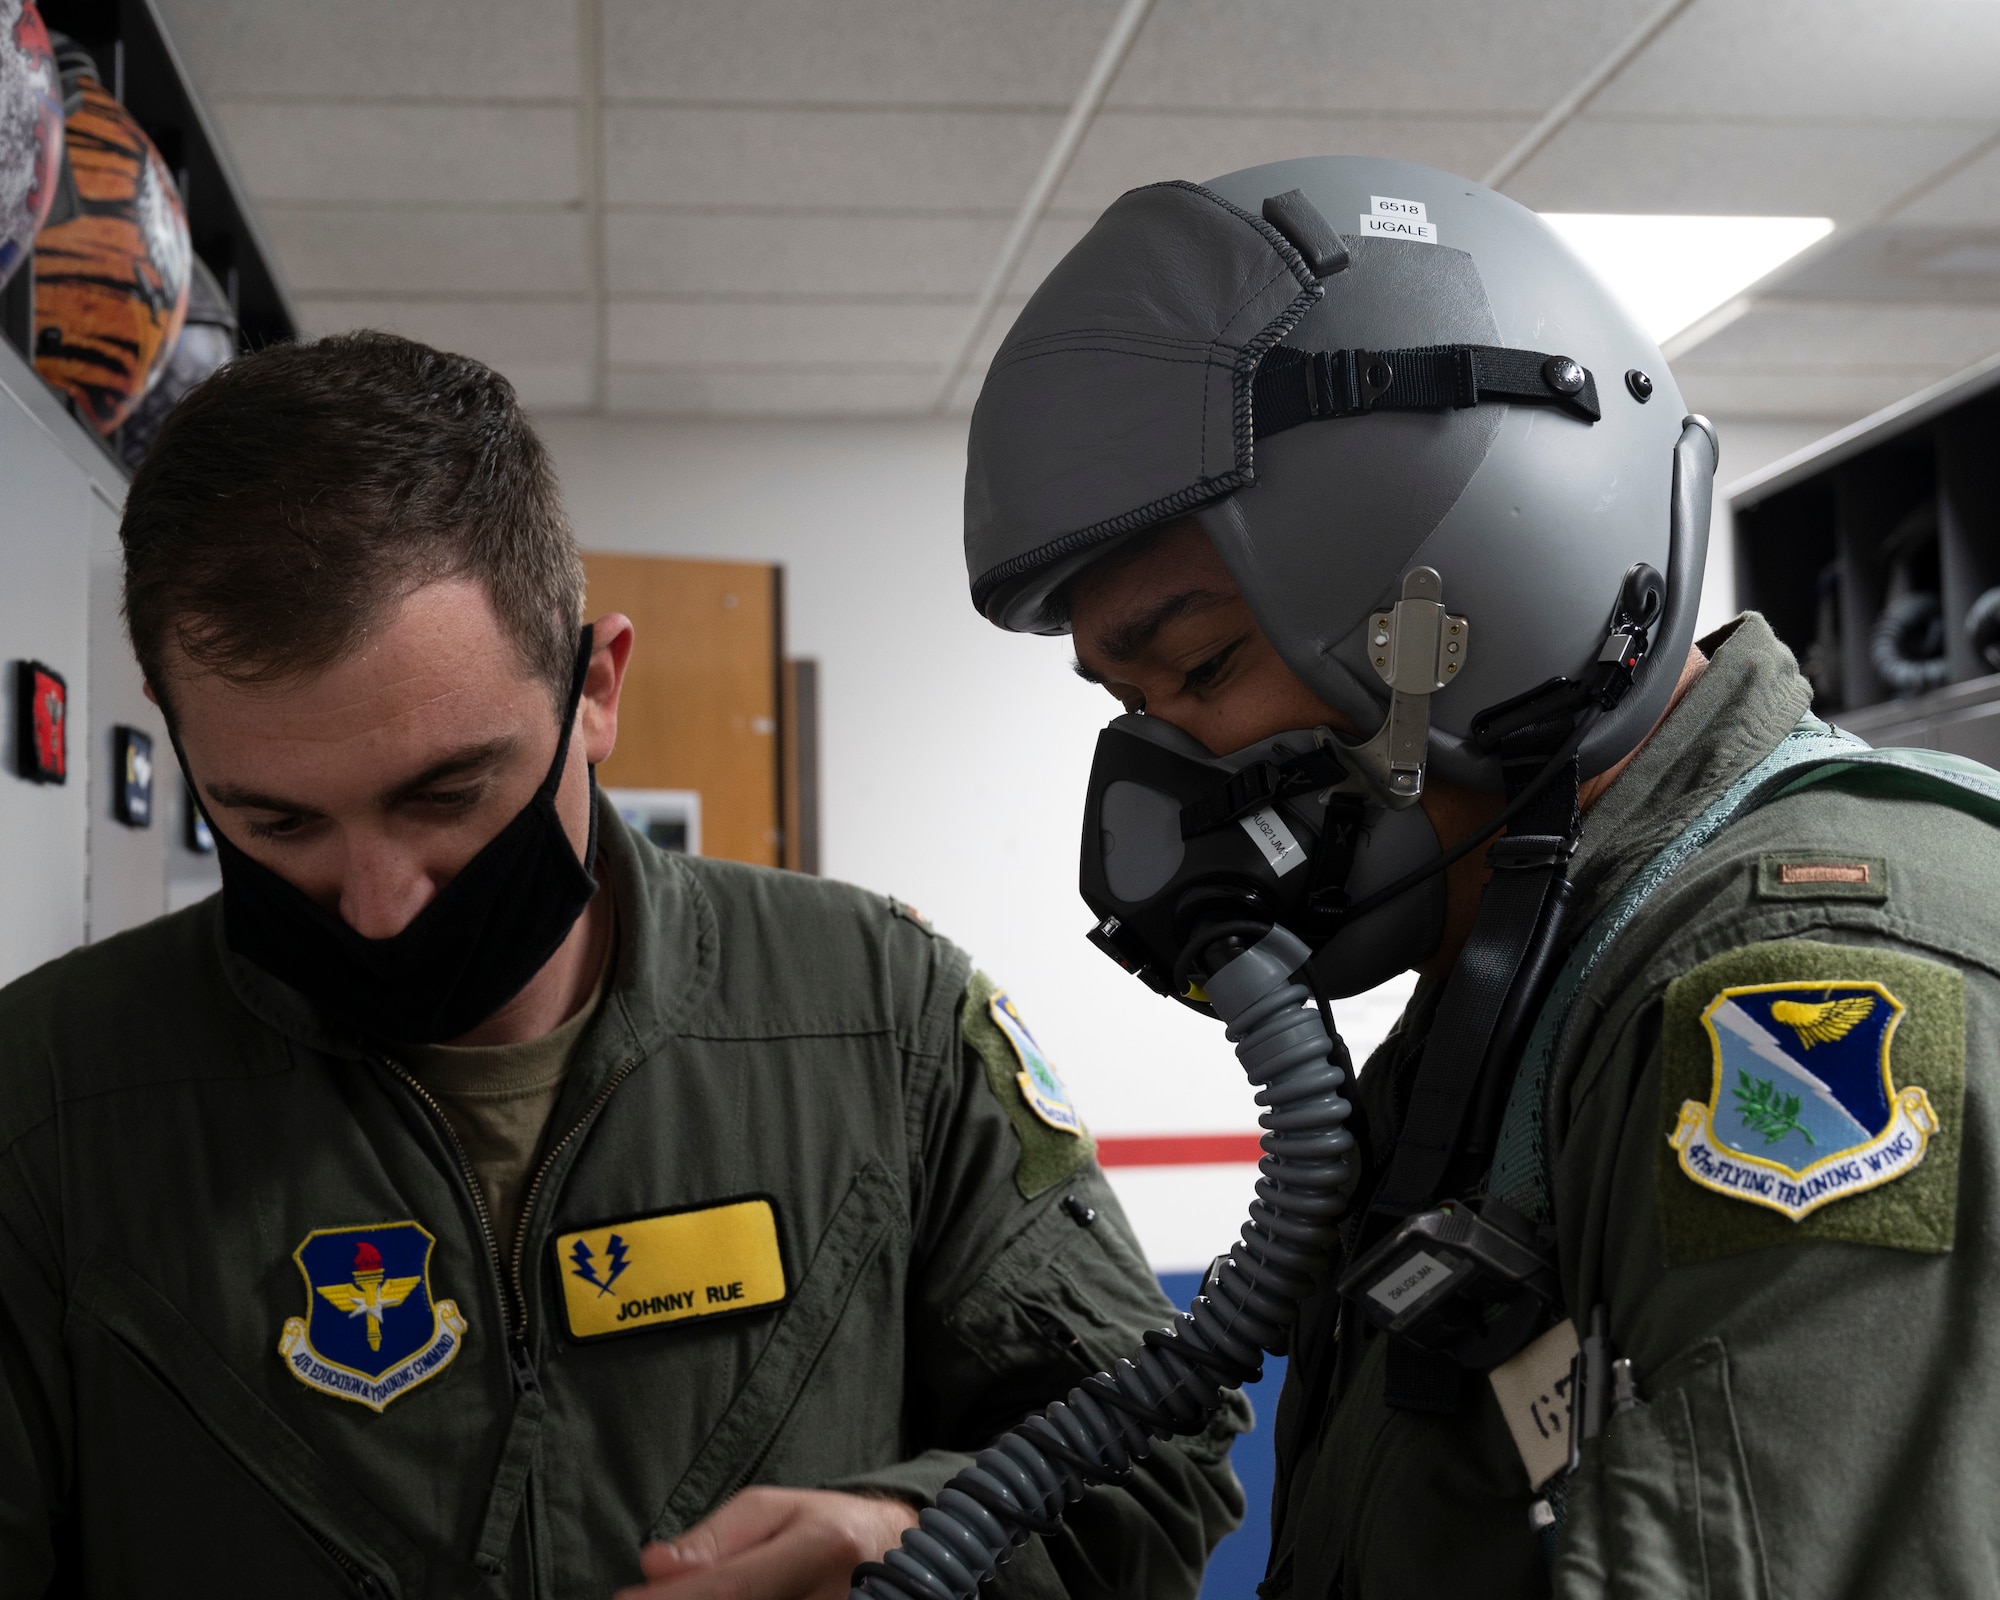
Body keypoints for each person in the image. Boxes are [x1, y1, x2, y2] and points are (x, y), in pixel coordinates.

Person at [0, 331, 1248, 1600]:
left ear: (596, 690)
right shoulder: (44, 1101)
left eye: (447, 792)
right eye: (277, 822)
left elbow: (1158, 1445)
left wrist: (912, 1544)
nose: (377, 906)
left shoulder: (883, 1014)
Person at [950, 155, 2000, 1598]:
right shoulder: (1522, 991)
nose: (1160, 780)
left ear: (1470, 608)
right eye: (1128, 707)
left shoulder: (1803, 990)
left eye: (1199, 668)